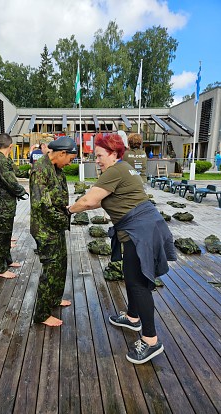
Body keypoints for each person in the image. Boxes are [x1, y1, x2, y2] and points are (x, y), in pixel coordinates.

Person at [68, 133, 176, 364]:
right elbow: (97, 201)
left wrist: (68, 211)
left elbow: (88, 201)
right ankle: (132, 317)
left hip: (141, 232)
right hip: (142, 228)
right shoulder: (123, 167)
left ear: (114, 153)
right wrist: (76, 206)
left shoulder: (114, 170)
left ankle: (150, 340)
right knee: (131, 276)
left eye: (99, 156)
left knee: (139, 284)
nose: (96, 160)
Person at [30, 136, 77, 327]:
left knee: (61, 265)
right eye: (70, 159)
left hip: (55, 227)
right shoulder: (41, 169)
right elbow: (41, 205)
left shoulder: (57, 168)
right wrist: (65, 217)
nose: (70, 163)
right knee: (50, 269)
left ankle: (54, 298)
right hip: (45, 229)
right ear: (61, 153)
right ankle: (41, 314)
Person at [0, 133, 28, 279]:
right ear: (10, 146)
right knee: (1, 236)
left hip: (5, 204)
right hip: (2, 204)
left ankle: (7, 260)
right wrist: (24, 191)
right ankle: (0, 268)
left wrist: (31, 172)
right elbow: (10, 182)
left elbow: (16, 171)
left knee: (7, 234)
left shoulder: (2, 159)